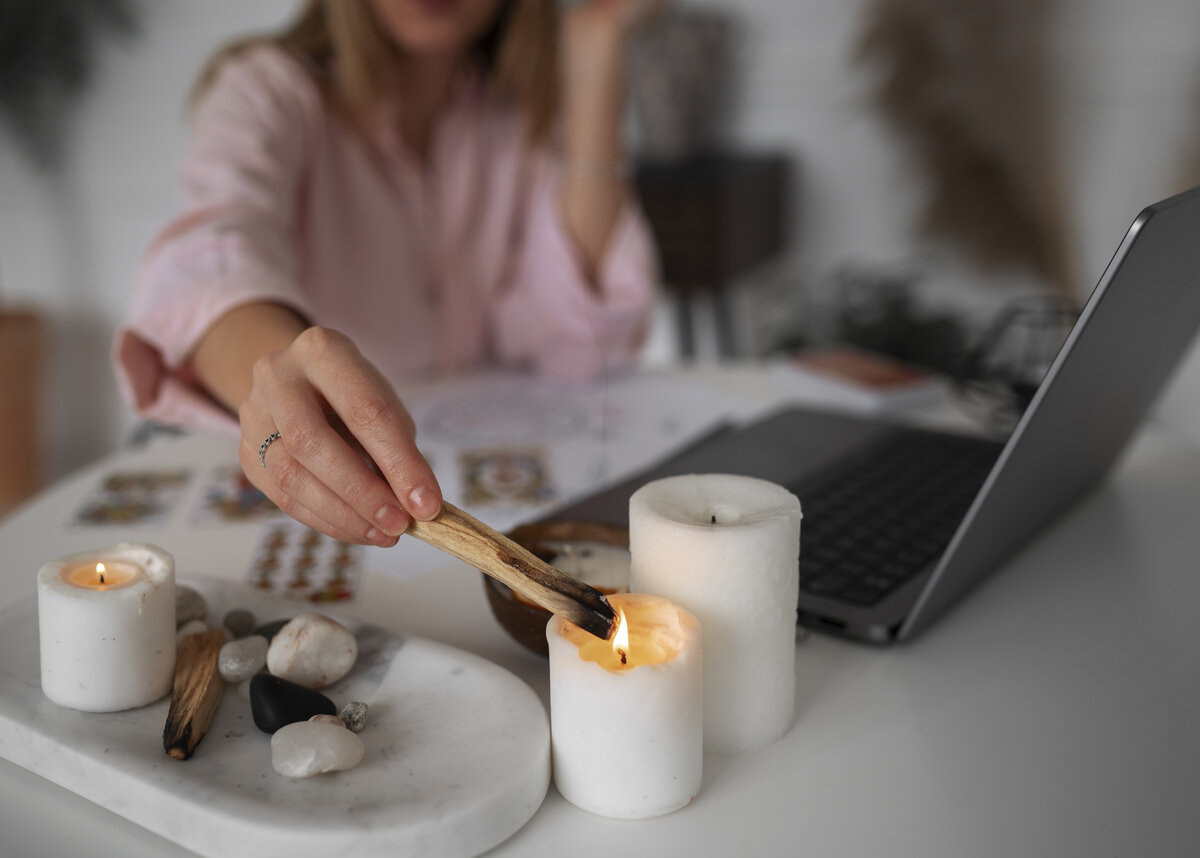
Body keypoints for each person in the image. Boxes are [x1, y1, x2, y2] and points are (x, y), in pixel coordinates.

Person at [113, 0, 663, 549]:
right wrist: (285, 373)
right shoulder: (266, 90)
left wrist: (595, 50)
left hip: (479, 489)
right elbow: (209, 257)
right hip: (300, 509)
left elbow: (580, 340)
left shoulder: (514, 114)